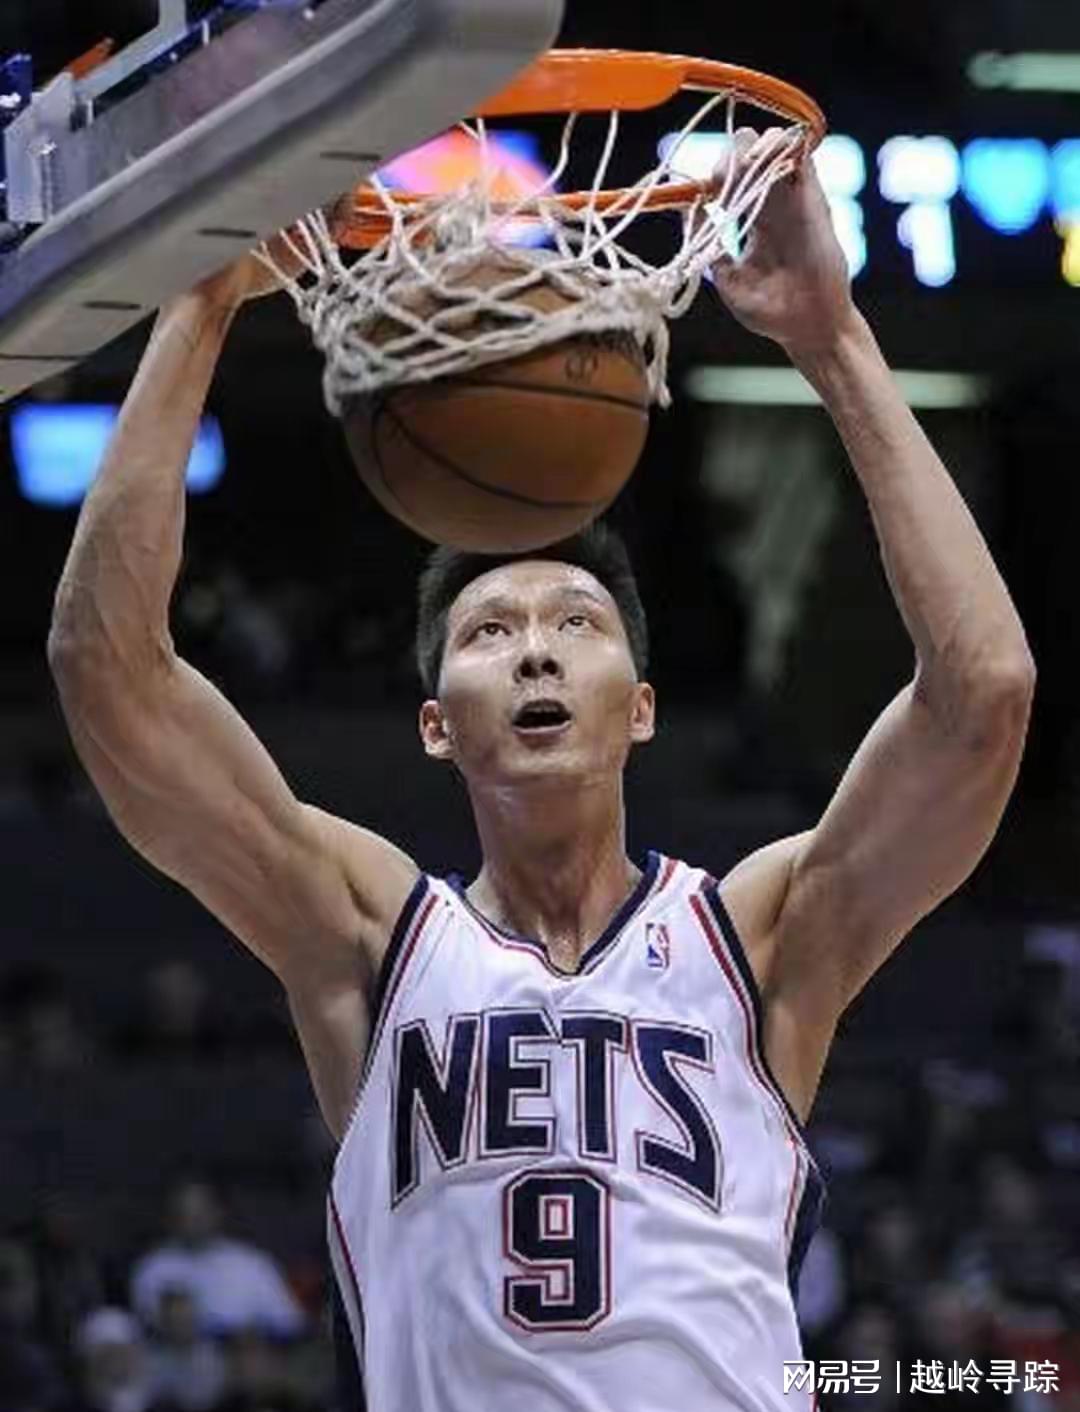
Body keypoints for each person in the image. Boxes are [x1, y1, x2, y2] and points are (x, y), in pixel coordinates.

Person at [48, 135, 1034, 1411]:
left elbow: (983, 694)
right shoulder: (371, 939)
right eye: (488, 632)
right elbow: (109, 669)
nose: (533, 649)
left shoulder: (756, 940)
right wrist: (200, 301)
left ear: (641, 708)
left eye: (576, 621)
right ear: (435, 725)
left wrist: (833, 340)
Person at [130, 1180, 304, 1341]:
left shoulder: (252, 1263)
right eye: (185, 1213)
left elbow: (290, 1324)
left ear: (218, 1212)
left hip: (243, 1355)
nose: (194, 1220)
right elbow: (145, 1333)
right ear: (170, 1218)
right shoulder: (153, 1268)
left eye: (201, 1212)